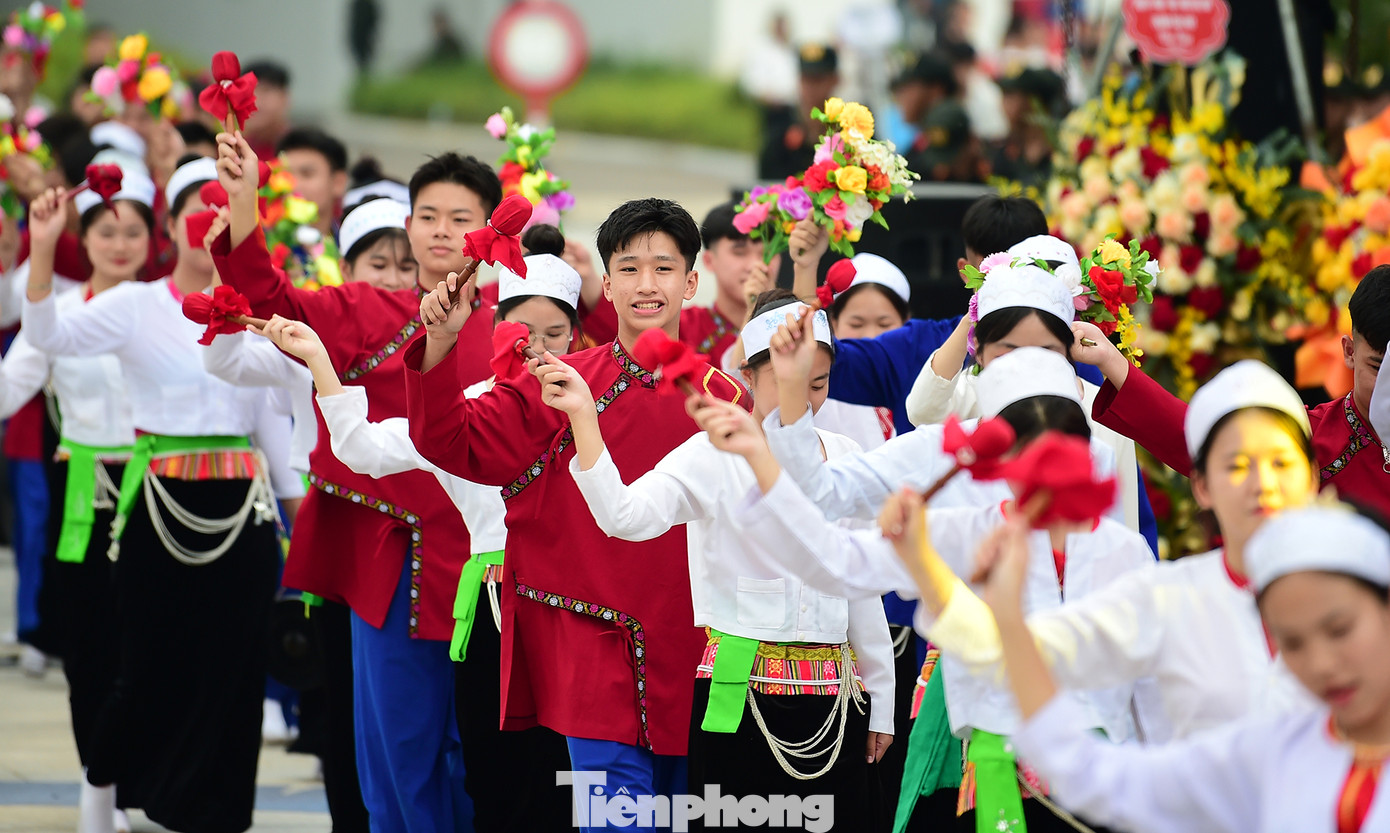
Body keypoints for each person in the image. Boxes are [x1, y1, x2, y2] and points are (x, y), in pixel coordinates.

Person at [404, 198, 745, 830]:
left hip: (692, 644)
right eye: (630, 268)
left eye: (665, 268)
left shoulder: (726, 399)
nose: (648, 285)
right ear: (607, 285)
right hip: (589, 636)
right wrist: (443, 341)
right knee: (616, 821)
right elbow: (454, 442)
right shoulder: (556, 382)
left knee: (680, 815)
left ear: (692, 283)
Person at [211, 130, 499, 833]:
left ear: (490, 230)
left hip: (497, 570)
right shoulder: (361, 310)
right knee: (397, 750)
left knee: (488, 753)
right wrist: (245, 200)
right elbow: (268, 292)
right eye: (427, 216)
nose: (440, 232)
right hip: (395, 564)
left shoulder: (514, 325)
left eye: (460, 219)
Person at [761, 338, 1156, 832]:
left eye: (1059, 447)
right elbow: (839, 562)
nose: (1043, 466)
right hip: (997, 771)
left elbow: (1150, 690)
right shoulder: (966, 533)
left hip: (1107, 782)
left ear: (1085, 450)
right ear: (1004, 458)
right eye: (1027, 449)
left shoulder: (1126, 552)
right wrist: (774, 431)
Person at [252, 249, 583, 831]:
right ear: (497, 329)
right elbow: (363, 447)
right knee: (492, 772)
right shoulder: (467, 407)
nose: (540, 349)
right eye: (524, 332)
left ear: (579, 336)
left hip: (577, 610)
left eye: (556, 333)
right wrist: (318, 359)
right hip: (493, 611)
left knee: (571, 772)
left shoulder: (598, 404)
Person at [548, 290, 894, 821]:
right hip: (739, 694)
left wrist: (883, 701)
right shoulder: (712, 453)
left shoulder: (845, 457)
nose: (802, 395)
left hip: (839, 703)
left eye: (816, 383)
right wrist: (583, 419)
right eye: (786, 379)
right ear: (748, 378)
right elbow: (624, 517)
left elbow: (863, 586)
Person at [20, 168, 295, 833]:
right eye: (192, 213)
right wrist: (42, 248)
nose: (207, 224)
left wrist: (302, 511)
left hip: (241, 510)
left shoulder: (259, 308)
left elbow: (273, 426)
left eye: (222, 209)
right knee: (144, 666)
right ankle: (102, 789)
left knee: (232, 671)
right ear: (169, 228)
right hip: (159, 502)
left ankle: (220, 813)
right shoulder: (136, 304)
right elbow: (50, 337)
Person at [888, 359, 1326, 753]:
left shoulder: (1366, 586)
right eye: (1236, 465)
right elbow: (1037, 652)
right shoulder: (1172, 597)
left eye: (1282, 463)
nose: (1262, 484)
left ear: (1314, 476)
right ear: (1202, 485)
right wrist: (928, 567)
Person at [968, 502, 1390, 832]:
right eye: (1292, 643)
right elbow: (1095, 775)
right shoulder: (1273, 749)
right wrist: (1007, 613)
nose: (1320, 664)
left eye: (1340, 630)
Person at [0, 171, 144, 819]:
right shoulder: (59, 319)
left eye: (133, 231)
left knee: (150, 642)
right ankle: (99, 783)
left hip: (159, 495)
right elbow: (9, 390)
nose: (120, 243)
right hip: (82, 494)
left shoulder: (165, 309)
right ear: (81, 238)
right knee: (89, 648)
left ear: (153, 239)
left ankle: (132, 776)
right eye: (106, 230)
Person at [1077, 264, 1390, 524]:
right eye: (1378, 368)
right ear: (1349, 352)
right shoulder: (1310, 438)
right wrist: (1111, 361)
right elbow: (1195, 437)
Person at [903, 237, 1149, 542]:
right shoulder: (975, 389)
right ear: (981, 348)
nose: (1027, 360)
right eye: (1010, 347)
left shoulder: (1101, 411)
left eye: (1045, 347)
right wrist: (976, 313)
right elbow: (922, 410)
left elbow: (1122, 526)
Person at [812, 194, 1047, 435]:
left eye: (1022, 270)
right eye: (993, 273)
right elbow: (822, 362)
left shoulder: (1077, 344)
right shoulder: (911, 346)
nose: (1010, 285)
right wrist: (807, 266)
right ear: (965, 272)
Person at [812, 252, 914, 453]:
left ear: (906, 322)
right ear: (833, 323)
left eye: (884, 324)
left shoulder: (927, 375)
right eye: (856, 324)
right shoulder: (820, 386)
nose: (870, 336)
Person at [682, 202, 777, 370]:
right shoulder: (683, 327)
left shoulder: (793, 321)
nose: (756, 265)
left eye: (767, 253)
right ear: (709, 261)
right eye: (739, 253)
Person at [757, 43, 839, 181]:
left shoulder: (850, 128)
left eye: (818, 80)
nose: (811, 88)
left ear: (835, 80)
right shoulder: (780, 122)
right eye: (806, 79)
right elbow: (766, 177)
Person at [276, 127, 349, 238]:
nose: (294, 185)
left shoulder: (351, 250)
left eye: (307, 174)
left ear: (338, 183)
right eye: (286, 174)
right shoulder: (260, 248)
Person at [241, 60, 291, 161]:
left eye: (265, 90)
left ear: (284, 97)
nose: (255, 101)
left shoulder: (299, 148)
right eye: (248, 92)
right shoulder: (237, 149)